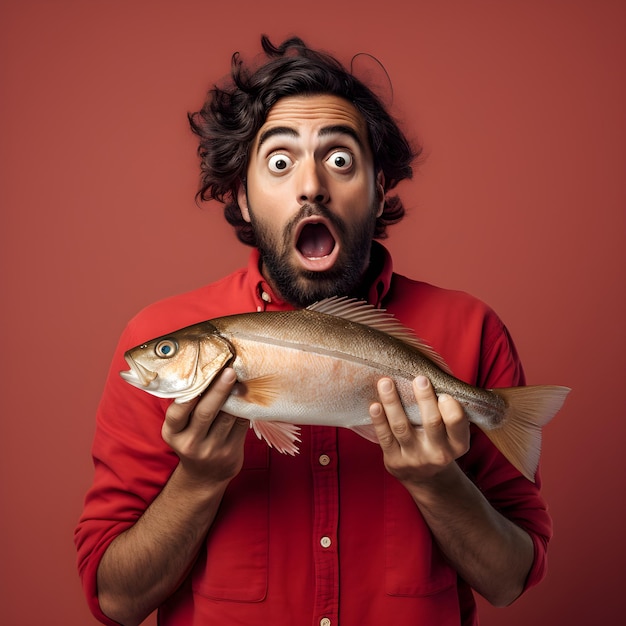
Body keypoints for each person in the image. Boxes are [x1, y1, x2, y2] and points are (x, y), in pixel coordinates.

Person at [75, 35, 552, 626]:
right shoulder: (153, 333)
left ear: (380, 189)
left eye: (340, 160)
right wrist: (198, 481)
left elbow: (509, 583)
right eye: (280, 162)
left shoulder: (472, 331)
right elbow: (115, 602)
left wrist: (438, 483)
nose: (311, 186)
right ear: (244, 198)